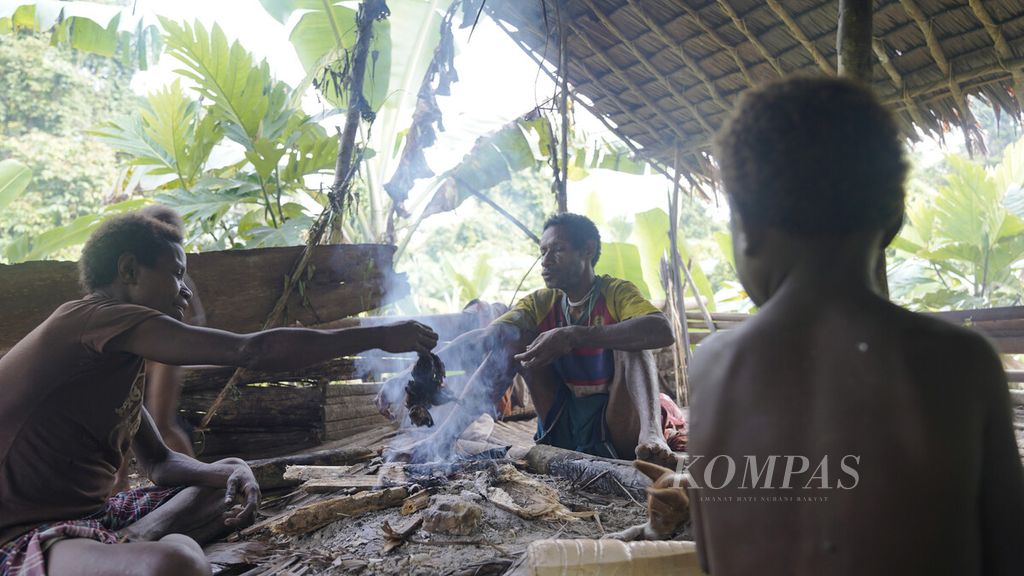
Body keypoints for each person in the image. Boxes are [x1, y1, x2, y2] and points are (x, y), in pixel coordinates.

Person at [687, 76, 1024, 575]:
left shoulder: (711, 369)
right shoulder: (961, 364)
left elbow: (712, 560)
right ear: (892, 220)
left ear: (749, 228)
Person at [0, 209, 438, 575]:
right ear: (129, 270)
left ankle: (135, 539)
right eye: (176, 275)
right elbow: (251, 350)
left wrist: (230, 471)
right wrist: (376, 334)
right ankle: (147, 546)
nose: (186, 291)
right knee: (177, 566)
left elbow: (160, 462)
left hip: (91, 518)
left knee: (226, 477)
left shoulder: (114, 358)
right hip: (22, 536)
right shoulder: (93, 320)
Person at [377, 213, 676, 466]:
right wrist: (414, 371)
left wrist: (573, 335)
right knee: (510, 341)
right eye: (543, 251)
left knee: (634, 342)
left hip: (617, 426)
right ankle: (442, 439)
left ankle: (653, 437)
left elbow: (661, 330)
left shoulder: (615, 293)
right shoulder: (540, 302)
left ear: (587, 250)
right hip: (561, 426)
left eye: (557, 249)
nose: (546, 261)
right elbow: (486, 337)